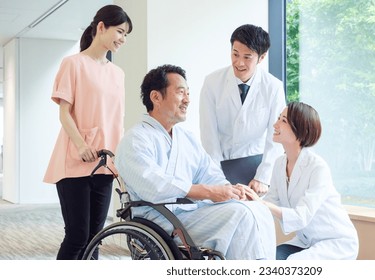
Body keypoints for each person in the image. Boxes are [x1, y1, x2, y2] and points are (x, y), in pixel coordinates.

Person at [114, 64, 276, 260]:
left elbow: (209, 172)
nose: (187, 100)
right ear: (156, 97)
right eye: (181, 92)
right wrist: (207, 192)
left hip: (189, 214)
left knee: (256, 208)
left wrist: (231, 190)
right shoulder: (135, 139)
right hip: (159, 219)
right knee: (240, 215)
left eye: (188, 93)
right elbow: (153, 185)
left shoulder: (186, 138)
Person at [43, 5, 132, 260]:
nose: (123, 39)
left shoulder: (118, 73)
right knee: (77, 236)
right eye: (120, 31)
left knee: (96, 238)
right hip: (75, 162)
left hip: (105, 165)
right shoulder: (72, 64)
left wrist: (120, 159)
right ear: (101, 27)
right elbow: (64, 113)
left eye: (126, 35)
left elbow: (117, 120)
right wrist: (82, 145)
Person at [245, 102, 359, 260]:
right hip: (305, 240)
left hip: (335, 242)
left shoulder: (318, 167)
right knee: (266, 259)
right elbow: (271, 202)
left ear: (300, 130)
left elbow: (301, 216)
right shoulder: (279, 164)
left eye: (283, 121)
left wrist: (262, 203)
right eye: (278, 118)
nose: (275, 124)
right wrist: (248, 200)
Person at [199, 24, 286, 196]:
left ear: (261, 57)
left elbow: (275, 135)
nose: (239, 63)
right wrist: (217, 179)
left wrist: (263, 177)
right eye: (235, 54)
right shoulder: (212, 82)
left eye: (247, 57)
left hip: (256, 167)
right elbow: (209, 134)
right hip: (221, 165)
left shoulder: (273, 87)